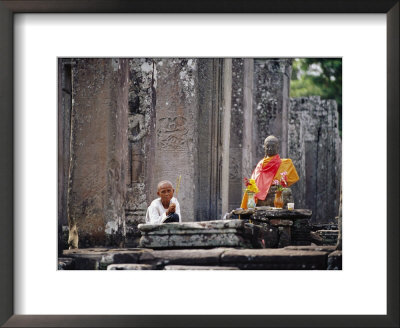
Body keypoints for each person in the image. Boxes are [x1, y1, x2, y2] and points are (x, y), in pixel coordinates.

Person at [241, 135, 299, 208]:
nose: (270, 149)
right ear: (264, 148)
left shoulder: (286, 164)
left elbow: (286, 183)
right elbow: (254, 182)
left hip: (276, 193)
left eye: (273, 146)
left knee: (286, 191)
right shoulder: (260, 164)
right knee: (251, 193)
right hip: (262, 195)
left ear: (277, 148)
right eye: (267, 146)